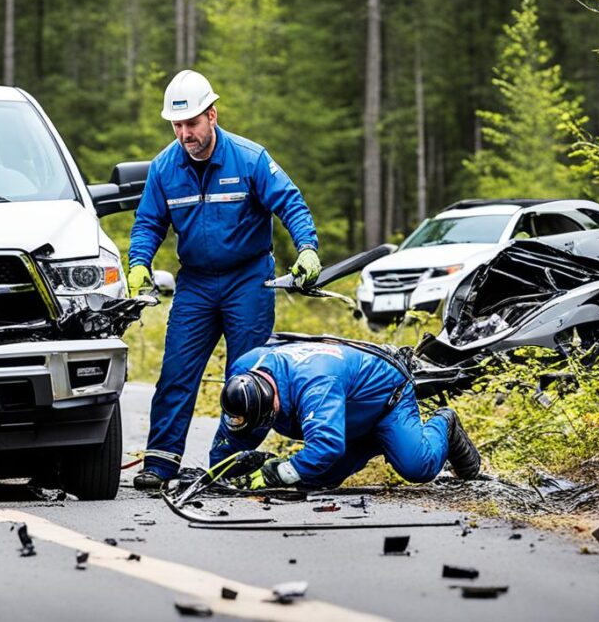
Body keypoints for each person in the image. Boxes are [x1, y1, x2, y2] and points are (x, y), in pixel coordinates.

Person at [128, 70, 321, 490]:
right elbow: (147, 224)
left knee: (248, 376)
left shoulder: (250, 159)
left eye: (192, 123)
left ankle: (227, 462)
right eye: (177, 126)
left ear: (212, 115)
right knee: (177, 372)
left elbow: (291, 204)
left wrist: (307, 248)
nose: (184, 134)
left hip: (248, 281)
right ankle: (160, 463)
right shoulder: (164, 168)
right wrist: (138, 263)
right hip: (195, 284)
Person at [210, 340, 481, 489]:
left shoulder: (316, 384)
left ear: (272, 398)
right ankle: (375, 442)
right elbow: (237, 429)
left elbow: (326, 445)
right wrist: (217, 473)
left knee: (418, 467)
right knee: (317, 480)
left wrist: (277, 474)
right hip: (346, 411)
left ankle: (443, 424)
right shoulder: (246, 370)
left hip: (386, 401)